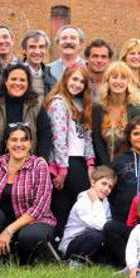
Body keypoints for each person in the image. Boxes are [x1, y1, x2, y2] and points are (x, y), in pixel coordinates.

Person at [0, 124, 57, 265]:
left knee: (30, 236)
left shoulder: (39, 165)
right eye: (14, 140)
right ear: (7, 143)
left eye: (24, 140)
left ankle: (24, 264)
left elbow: (40, 207)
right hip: (5, 220)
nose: (19, 144)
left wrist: (9, 231)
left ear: (30, 143)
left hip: (36, 221)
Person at [46, 65, 95, 234]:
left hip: (80, 161)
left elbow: (86, 137)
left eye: (82, 81)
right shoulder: (58, 103)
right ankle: (61, 241)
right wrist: (62, 169)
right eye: (74, 79)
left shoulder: (82, 104)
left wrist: (90, 163)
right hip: (67, 163)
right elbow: (58, 137)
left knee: (74, 204)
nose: (78, 84)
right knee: (72, 204)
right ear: (66, 79)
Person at [0, 63, 54, 162]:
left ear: (28, 83)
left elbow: (45, 133)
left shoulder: (36, 104)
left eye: (22, 80)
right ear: (6, 81)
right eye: (13, 79)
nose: (18, 83)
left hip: (28, 166)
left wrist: (42, 156)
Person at [91, 61, 140, 166]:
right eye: (115, 77)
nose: (118, 81)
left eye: (123, 78)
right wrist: (106, 166)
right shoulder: (98, 108)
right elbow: (97, 140)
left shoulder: (136, 108)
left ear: (128, 82)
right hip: (102, 165)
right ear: (107, 81)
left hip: (130, 164)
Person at [59, 166, 117, 264]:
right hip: (72, 244)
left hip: (92, 238)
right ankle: (74, 261)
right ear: (93, 183)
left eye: (110, 186)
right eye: (104, 184)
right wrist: (95, 201)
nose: (106, 189)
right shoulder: (83, 202)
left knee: (109, 236)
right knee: (98, 236)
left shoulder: (105, 202)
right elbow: (101, 225)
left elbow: (108, 222)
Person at [20, 30, 58, 97]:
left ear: (46, 50)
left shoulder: (51, 78)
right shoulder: (14, 74)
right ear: (24, 50)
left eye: (41, 47)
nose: (37, 52)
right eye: (32, 47)